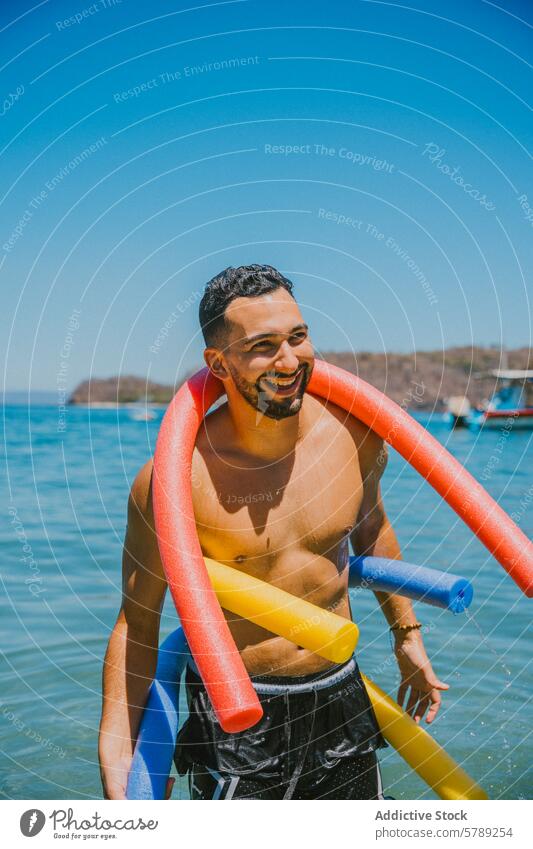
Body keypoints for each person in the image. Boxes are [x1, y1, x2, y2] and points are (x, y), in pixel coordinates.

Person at [98, 264, 449, 800]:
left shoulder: (353, 436)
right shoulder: (174, 483)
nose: (289, 361)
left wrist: (408, 637)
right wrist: (119, 749)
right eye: (263, 346)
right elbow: (138, 624)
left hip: (340, 694)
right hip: (239, 716)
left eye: (298, 337)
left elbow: (371, 530)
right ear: (218, 362)